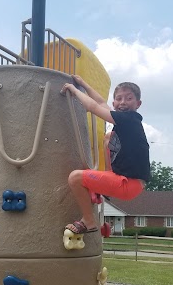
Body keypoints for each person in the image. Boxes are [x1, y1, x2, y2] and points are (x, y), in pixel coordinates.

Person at [61, 75, 150, 234]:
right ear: (114, 103)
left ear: (138, 104)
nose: (123, 102)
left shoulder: (129, 119)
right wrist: (83, 84)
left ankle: (88, 220)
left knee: (75, 177)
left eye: (129, 98)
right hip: (126, 180)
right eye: (119, 98)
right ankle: (103, 181)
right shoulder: (122, 121)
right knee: (109, 137)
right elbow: (101, 103)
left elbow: (94, 107)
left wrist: (74, 89)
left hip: (128, 183)